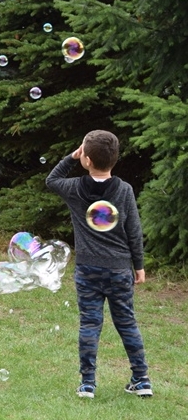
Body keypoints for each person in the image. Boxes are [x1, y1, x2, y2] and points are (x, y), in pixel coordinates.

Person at [46, 130, 153, 399]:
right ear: (114, 160)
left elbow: (52, 179)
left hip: (87, 270)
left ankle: (88, 384)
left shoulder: (75, 189)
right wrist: (138, 265)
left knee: (90, 324)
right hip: (119, 269)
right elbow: (134, 230)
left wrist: (71, 157)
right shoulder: (125, 190)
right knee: (127, 323)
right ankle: (141, 380)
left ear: (86, 158)